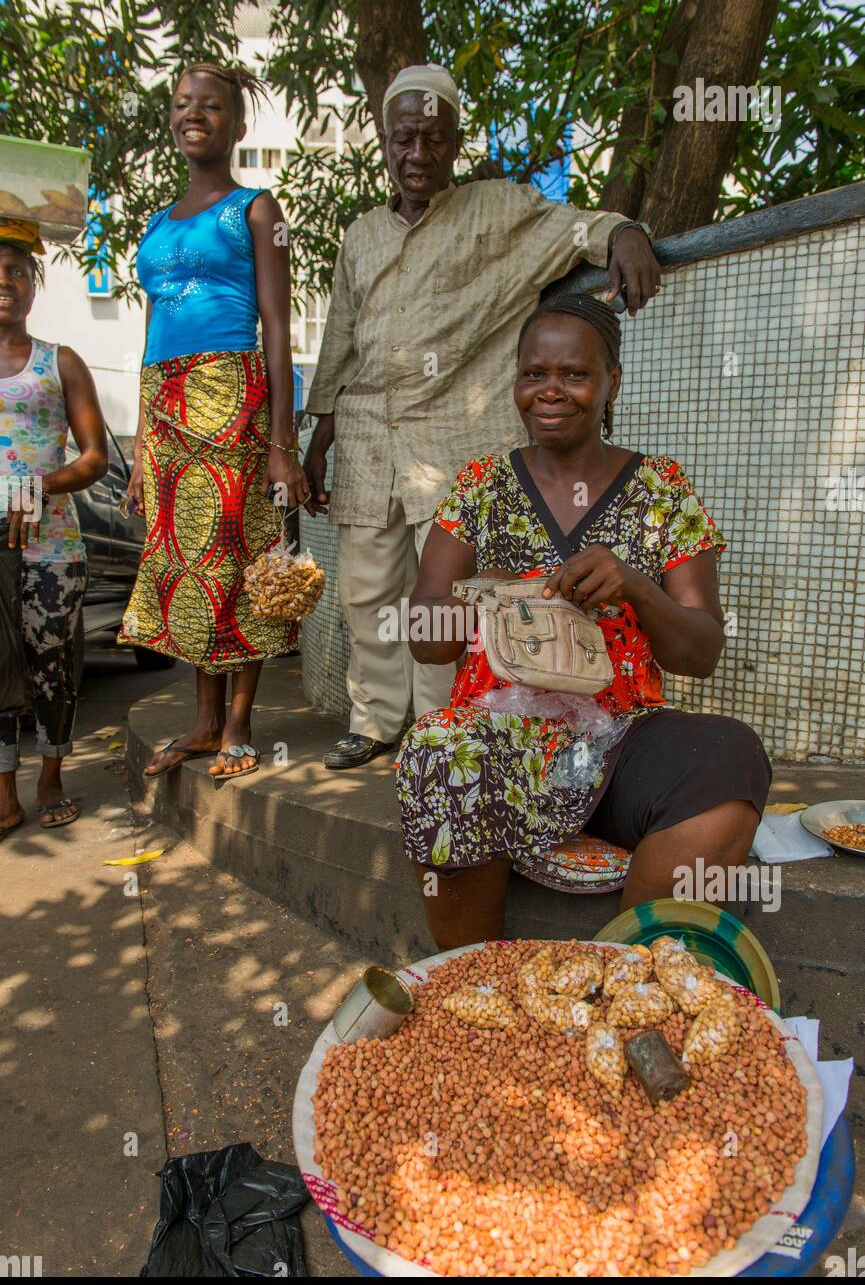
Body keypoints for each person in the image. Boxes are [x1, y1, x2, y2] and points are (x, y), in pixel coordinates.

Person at [304, 62, 660, 771]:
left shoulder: (497, 210)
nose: (416, 154)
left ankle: (441, 725)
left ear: (453, 141)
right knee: (366, 590)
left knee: (449, 596)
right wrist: (318, 441)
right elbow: (339, 338)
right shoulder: (360, 235)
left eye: (432, 140)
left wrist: (625, 233)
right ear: (383, 140)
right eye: (403, 139)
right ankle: (374, 719)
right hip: (369, 439)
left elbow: (578, 228)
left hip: (453, 438)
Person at [396, 294, 771, 949]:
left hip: (618, 738)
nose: (550, 391)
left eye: (573, 375)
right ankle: (477, 982)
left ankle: (623, 976)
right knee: (434, 750)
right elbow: (426, 643)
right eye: (533, 374)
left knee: (726, 755)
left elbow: (700, 651)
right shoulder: (480, 486)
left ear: (610, 383)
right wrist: (486, 596)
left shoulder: (660, 489)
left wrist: (635, 587)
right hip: (496, 741)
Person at [120, 63, 309, 780]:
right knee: (188, 561)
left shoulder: (259, 209)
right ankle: (202, 721)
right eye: (181, 104)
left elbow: (278, 326)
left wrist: (281, 444)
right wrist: (141, 448)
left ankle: (238, 726)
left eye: (210, 106)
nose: (192, 114)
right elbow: (147, 333)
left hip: (233, 395)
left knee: (238, 555)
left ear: (235, 124)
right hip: (166, 406)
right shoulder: (156, 225)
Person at [0, 220, 109, 833]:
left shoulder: (59, 361)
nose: (4, 280)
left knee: (51, 665)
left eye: (17, 269)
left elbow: (94, 457)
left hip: (51, 547)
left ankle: (50, 779)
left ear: (34, 287)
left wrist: (34, 487)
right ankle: (3, 793)